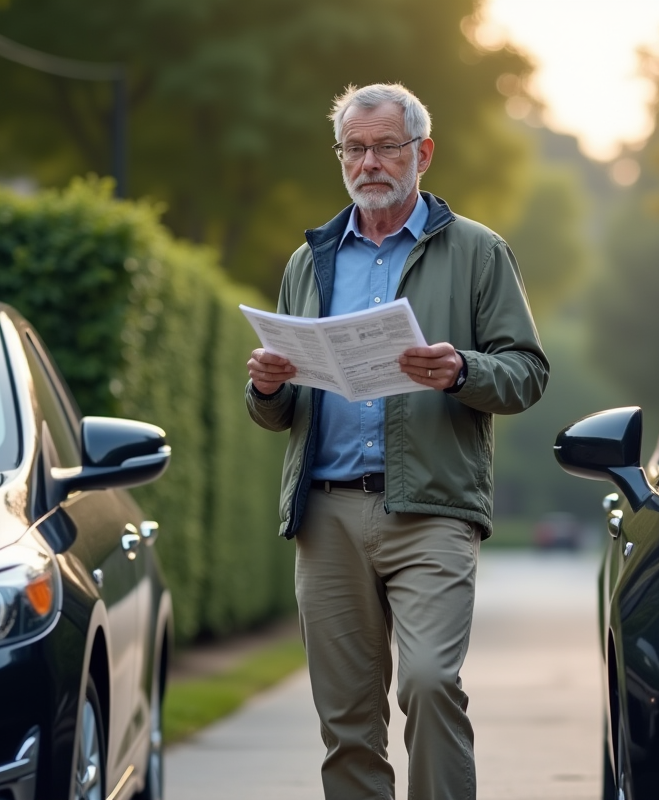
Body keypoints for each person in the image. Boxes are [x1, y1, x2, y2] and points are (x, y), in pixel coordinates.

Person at [245, 83, 548, 800]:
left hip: (433, 510)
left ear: (423, 153)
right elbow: (279, 415)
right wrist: (265, 388)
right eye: (355, 148)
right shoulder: (308, 261)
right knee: (346, 718)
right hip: (327, 515)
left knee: (430, 682)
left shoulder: (477, 252)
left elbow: (527, 374)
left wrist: (460, 370)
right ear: (341, 156)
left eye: (387, 147)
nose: (370, 162)